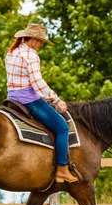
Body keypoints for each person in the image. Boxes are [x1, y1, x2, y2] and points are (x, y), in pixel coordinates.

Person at [5, 23, 78, 183]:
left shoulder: (12, 52)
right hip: (28, 99)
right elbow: (37, 82)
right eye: (40, 41)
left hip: (12, 98)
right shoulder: (31, 55)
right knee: (62, 128)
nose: (40, 45)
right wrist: (56, 99)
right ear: (32, 40)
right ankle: (62, 169)